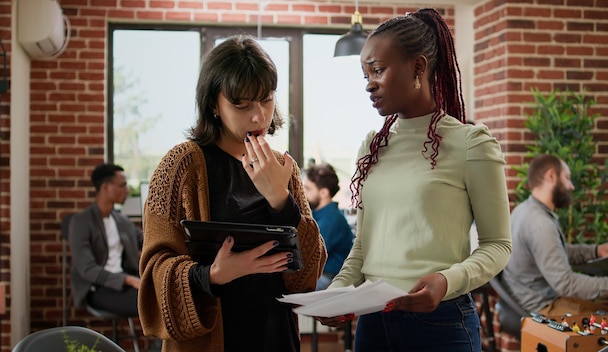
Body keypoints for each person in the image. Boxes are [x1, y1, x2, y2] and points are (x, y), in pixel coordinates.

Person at [317, 8, 512, 352]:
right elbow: (363, 246)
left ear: (418, 67)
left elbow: (498, 245)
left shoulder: (471, 144)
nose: (369, 84)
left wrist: (446, 281)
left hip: (441, 324)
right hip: (373, 324)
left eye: (378, 70)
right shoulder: (371, 147)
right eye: (365, 73)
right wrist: (337, 293)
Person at [138, 35, 326, 352]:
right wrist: (210, 275)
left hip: (274, 334)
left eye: (266, 100)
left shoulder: (284, 168)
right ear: (214, 103)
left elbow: (306, 277)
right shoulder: (181, 166)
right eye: (241, 104)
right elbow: (153, 277)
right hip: (212, 340)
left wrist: (281, 199)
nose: (258, 116)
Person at [502, 154, 608, 316]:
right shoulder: (540, 223)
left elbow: (552, 252)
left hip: (532, 302)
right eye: (567, 178)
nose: (571, 186)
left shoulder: (524, 210)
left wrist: (595, 251)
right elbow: (565, 283)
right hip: (544, 309)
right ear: (551, 176)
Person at [68, 163, 143, 317]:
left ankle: (157, 343)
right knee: (151, 303)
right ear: (105, 187)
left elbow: (146, 240)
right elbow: (87, 270)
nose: (127, 190)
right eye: (122, 185)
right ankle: (158, 342)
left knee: (165, 298)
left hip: (126, 284)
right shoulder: (81, 222)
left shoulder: (122, 221)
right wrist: (129, 280)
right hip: (98, 288)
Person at [303, 162, 354, 290]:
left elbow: (310, 254)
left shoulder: (332, 218)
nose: (303, 192)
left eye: (308, 189)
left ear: (324, 193)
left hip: (330, 276)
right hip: (320, 274)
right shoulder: (316, 214)